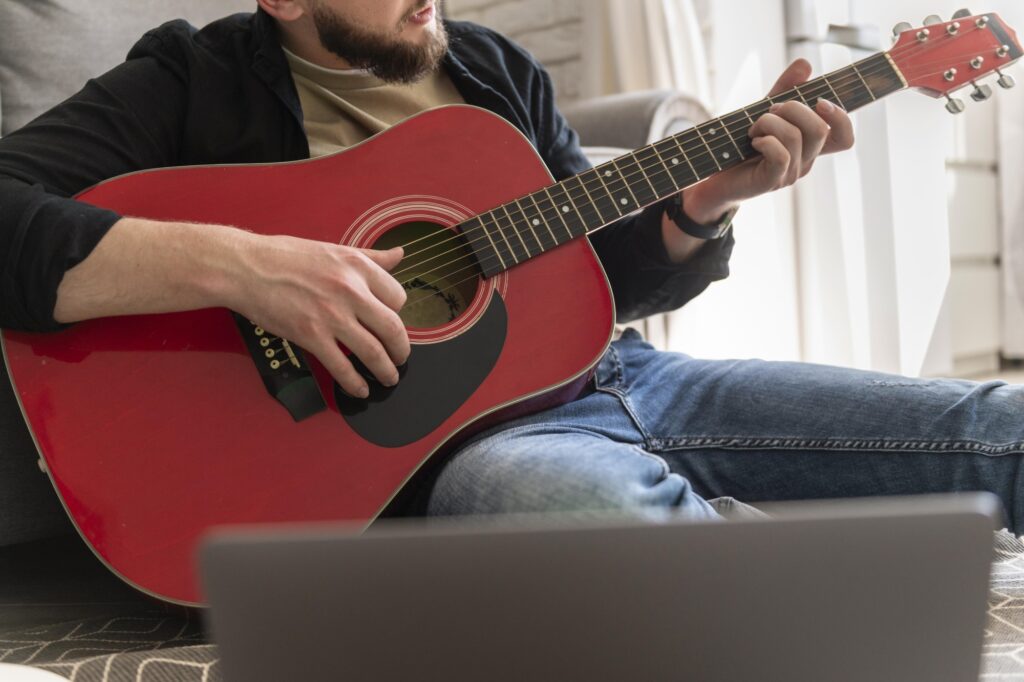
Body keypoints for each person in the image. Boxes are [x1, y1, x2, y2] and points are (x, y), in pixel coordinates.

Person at [1, 0, 1021, 531]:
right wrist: (245, 267)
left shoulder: (494, 68)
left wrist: (703, 202)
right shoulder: (189, 78)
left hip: (620, 378)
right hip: (457, 449)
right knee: (568, 509)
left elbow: (593, 282)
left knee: (990, 426)